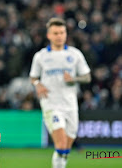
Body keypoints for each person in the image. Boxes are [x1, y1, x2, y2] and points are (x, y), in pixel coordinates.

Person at [29, 18, 91, 168]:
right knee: (61, 144)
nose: (59, 36)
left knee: (66, 149)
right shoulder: (41, 56)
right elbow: (33, 77)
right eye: (55, 33)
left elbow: (87, 76)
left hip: (70, 104)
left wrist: (74, 79)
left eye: (62, 32)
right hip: (51, 104)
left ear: (66, 34)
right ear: (49, 35)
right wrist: (37, 84)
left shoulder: (75, 54)